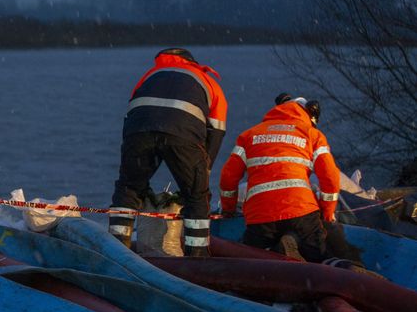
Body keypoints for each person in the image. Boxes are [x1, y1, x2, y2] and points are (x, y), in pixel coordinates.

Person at [109, 48, 228, 257]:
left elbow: (131, 117)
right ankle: (197, 259)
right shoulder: (207, 80)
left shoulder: (150, 75)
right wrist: (203, 170)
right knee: (196, 196)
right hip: (183, 133)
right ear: (192, 62)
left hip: (138, 131)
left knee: (128, 189)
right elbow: (217, 131)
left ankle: (117, 251)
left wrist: (132, 166)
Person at [219, 93, 340, 262]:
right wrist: (327, 213)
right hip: (301, 211)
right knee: (319, 259)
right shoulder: (312, 135)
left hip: (260, 216)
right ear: (308, 115)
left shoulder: (249, 135)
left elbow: (227, 177)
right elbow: (330, 177)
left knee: (254, 262)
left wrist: (228, 210)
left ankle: (275, 257)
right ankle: (313, 269)